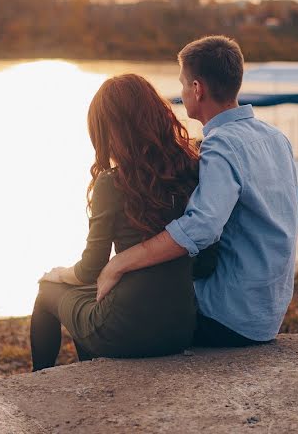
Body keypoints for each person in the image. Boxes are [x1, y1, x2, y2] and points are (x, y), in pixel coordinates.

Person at [96, 35, 298, 347]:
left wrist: (119, 263)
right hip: (267, 313)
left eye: (182, 84)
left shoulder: (222, 144)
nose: (181, 92)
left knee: (124, 299)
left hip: (227, 316)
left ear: (197, 89)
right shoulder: (274, 137)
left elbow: (201, 227)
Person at [30, 74, 201, 370]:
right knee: (93, 298)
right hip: (181, 328)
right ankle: (96, 369)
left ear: (110, 130)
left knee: (47, 291)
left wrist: (59, 274)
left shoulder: (112, 183)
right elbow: (206, 257)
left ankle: (38, 380)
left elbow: (91, 269)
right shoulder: (191, 169)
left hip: (126, 332)